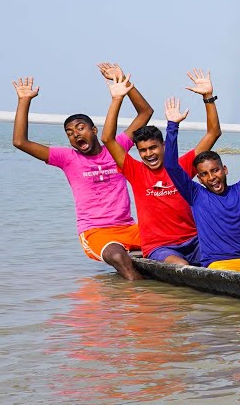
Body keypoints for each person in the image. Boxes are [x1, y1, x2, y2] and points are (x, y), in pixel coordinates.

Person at [11, 63, 153, 279]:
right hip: (96, 232)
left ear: (93, 130)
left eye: (80, 128)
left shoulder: (117, 147)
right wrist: (24, 101)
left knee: (172, 236)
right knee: (117, 256)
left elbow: (145, 112)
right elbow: (20, 142)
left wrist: (123, 82)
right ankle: (139, 302)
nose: (75, 134)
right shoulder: (68, 158)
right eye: (69, 133)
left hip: (128, 226)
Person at [101, 71, 218, 266]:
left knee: (222, 259)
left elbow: (214, 133)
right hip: (161, 247)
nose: (149, 154)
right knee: (181, 267)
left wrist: (208, 97)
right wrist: (116, 99)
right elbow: (107, 139)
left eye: (153, 147)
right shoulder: (134, 170)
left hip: (195, 241)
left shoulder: (182, 166)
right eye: (143, 150)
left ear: (164, 146)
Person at [163, 88, 240, 272]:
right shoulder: (196, 195)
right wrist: (173, 126)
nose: (212, 177)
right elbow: (171, 165)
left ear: (224, 169)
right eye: (204, 174)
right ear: (199, 178)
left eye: (215, 170)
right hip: (216, 265)